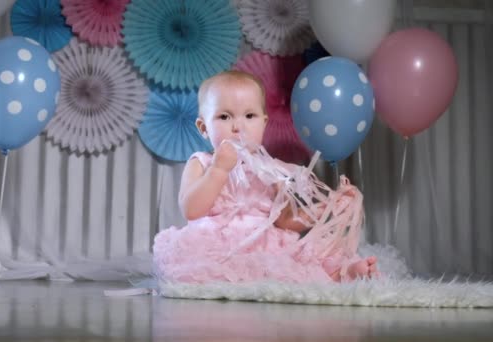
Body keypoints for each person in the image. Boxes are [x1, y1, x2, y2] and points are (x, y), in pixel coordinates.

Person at [153, 70, 378, 284]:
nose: (238, 126)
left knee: (303, 261)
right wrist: (218, 170)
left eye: (249, 116)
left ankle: (344, 273)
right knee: (205, 271)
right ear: (203, 127)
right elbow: (191, 209)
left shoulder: (270, 170)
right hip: (217, 245)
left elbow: (285, 222)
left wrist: (326, 207)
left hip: (263, 244)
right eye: (224, 116)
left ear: (264, 122)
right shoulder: (202, 162)